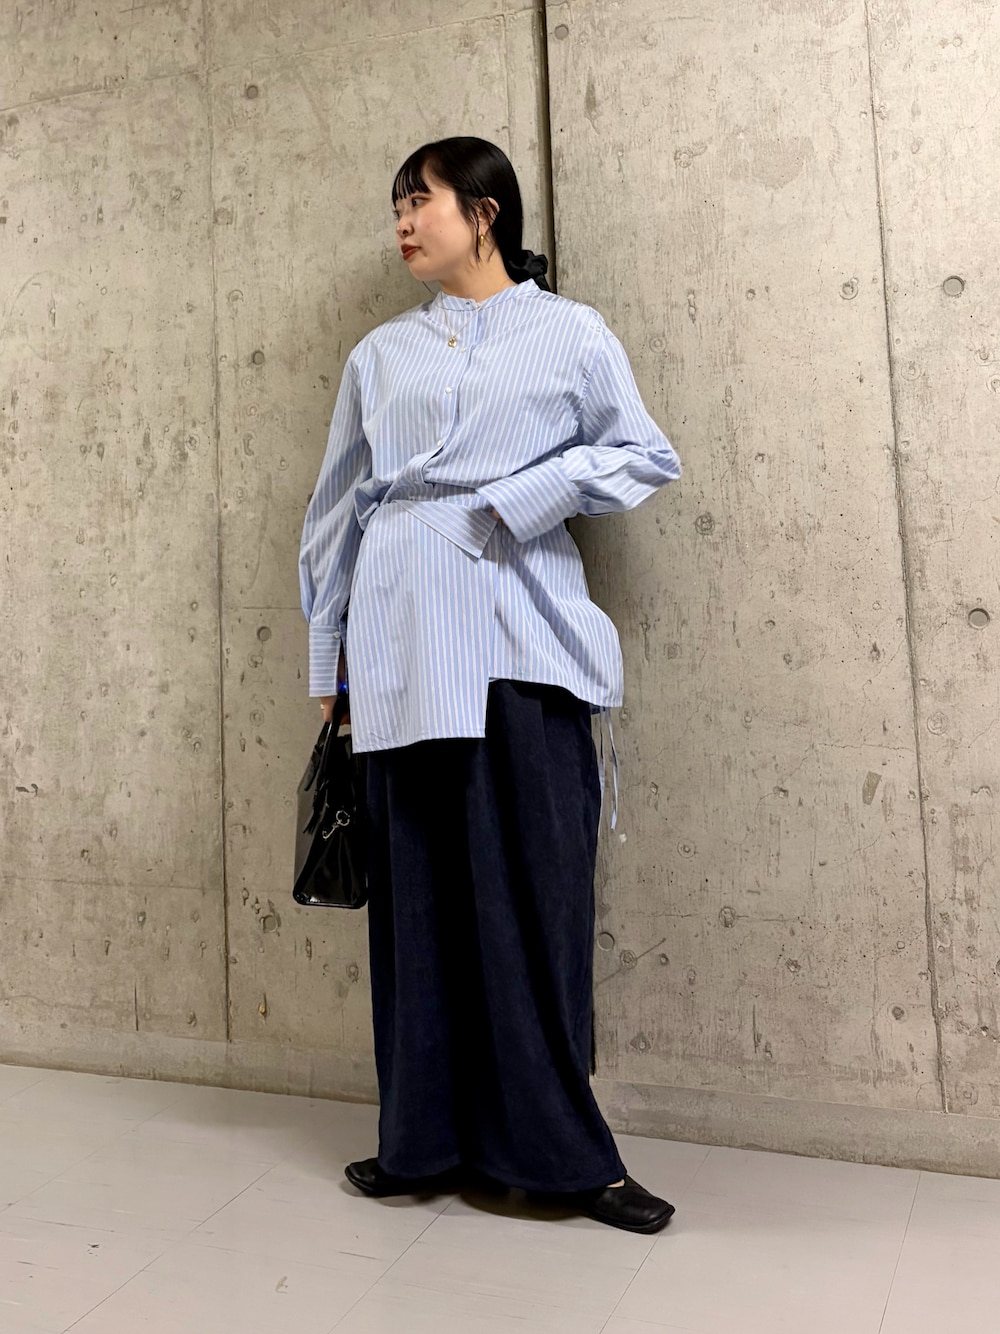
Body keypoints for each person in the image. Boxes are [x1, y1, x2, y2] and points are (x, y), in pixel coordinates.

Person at [298, 136, 681, 1235]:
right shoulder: (381, 354)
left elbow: (643, 453)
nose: (402, 221)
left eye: (418, 200)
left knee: (535, 898)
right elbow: (338, 507)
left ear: (484, 211)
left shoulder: (571, 333)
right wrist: (328, 659)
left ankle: (565, 1157)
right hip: (397, 640)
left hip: (524, 639)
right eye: (396, 205)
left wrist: (522, 497)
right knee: (416, 904)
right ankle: (419, 1141)